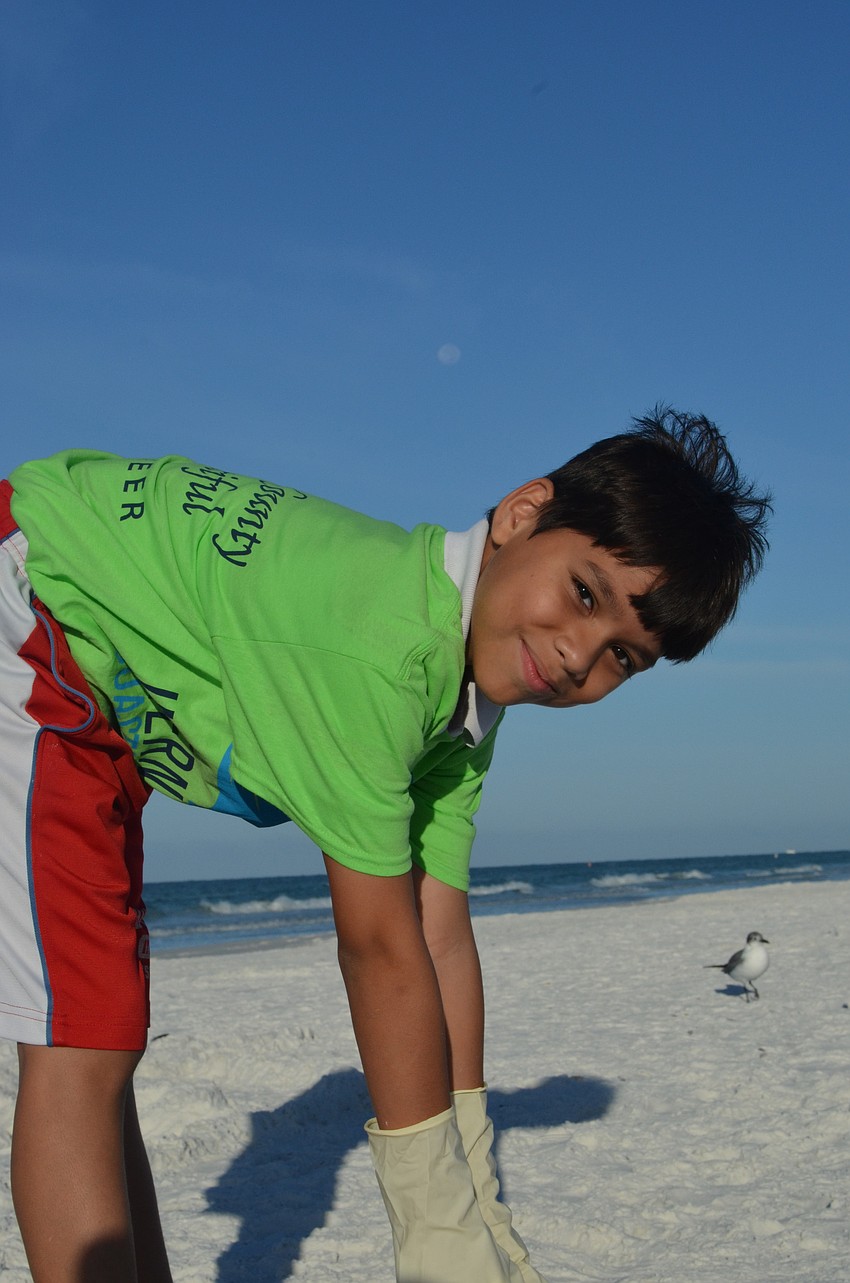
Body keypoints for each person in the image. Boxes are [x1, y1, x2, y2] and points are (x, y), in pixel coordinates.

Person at [0, 408, 770, 1283]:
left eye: (623, 657)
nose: (576, 654)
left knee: (103, 1036)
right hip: (33, 599)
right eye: (585, 593)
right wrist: (440, 1234)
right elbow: (379, 947)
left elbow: (439, 933)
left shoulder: (468, 692)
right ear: (523, 515)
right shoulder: (378, 649)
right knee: (79, 1045)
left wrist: (472, 1181)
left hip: (93, 673)